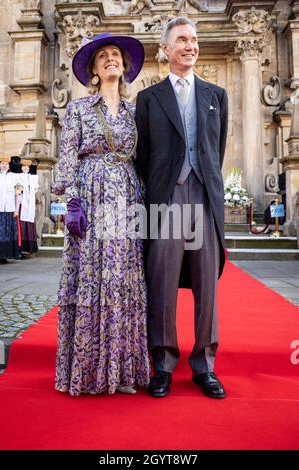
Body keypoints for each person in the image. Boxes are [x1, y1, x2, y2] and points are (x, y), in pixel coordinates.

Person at [52, 33, 150, 396]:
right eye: (103, 56)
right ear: (93, 69)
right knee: (93, 277)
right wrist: (72, 201)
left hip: (127, 198)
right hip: (91, 199)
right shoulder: (78, 109)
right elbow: (68, 156)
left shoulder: (135, 112)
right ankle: (89, 371)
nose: (111, 59)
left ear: (124, 66)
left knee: (122, 279)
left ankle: (121, 370)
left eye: (116, 55)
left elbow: (144, 160)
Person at [135, 17, 228, 399]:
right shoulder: (149, 98)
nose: (190, 46)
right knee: (162, 284)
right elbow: (143, 157)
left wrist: (204, 183)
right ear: (166, 49)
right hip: (166, 199)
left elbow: (215, 149)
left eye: (194, 40)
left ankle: (205, 366)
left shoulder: (216, 95)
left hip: (204, 197)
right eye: (182, 40)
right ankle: (163, 364)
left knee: (207, 286)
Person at [0, 155, 19, 263]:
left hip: (10, 209)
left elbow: (18, 194)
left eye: (6, 164)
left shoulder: (14, 177)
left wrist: (16, 209)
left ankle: (5, 255)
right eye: (2, 163)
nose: (4, 165)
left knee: (7, 233)